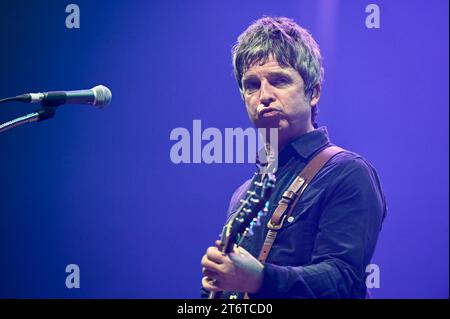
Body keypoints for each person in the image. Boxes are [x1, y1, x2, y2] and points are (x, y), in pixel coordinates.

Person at [201, 16, 386, 299]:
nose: (264, 95)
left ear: (314, 93)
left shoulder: (348, 172)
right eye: (252, 85)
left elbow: (343, 280)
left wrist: (260, 279)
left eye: (279, 80)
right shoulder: (242, 195)